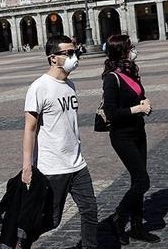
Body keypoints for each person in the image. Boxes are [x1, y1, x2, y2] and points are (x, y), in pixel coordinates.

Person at [21, 35, 98, 249]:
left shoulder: (70, 85)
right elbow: (30, 128)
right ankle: (20, 241)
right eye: (69, 53)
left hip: (77, 163)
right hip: (52, 167)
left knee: (90, 210)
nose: (75, 57)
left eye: (75, 52)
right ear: (53, 58)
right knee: (51, 220)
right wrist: (27, 167)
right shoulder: (39, 87)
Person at [101, 34, 160, 244]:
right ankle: (118, 218)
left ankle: (136, 227)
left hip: (138, 132)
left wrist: (145, 102)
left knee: (138, 180)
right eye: (130, 46)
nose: (134, 49)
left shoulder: (132, 72)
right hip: (121, 136)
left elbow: (137, 96)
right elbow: (111, 112)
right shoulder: (111, 78)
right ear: (122, 51)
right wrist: (138, 108)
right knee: (143, 181)